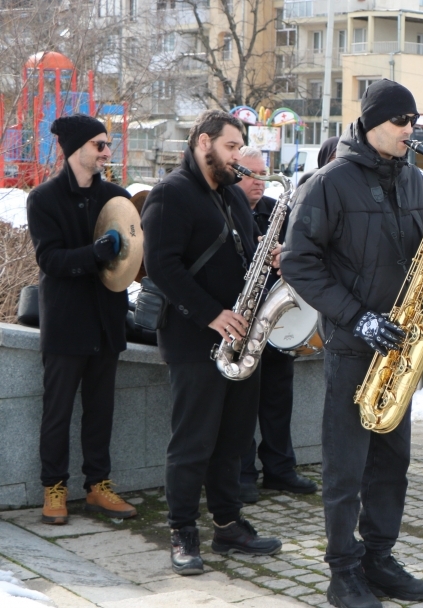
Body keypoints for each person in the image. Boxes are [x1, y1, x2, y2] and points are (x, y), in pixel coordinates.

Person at [281, 79, 423, 608]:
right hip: (353, 344)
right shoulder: (328, 182)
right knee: (347, 464)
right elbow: (298, 261)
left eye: (413, 121)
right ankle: (342, 570)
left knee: (392, 461)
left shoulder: (418, 182)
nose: (409, 131)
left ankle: (379, 557)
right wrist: (356, 317)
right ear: (371, 124)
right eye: (401, 121)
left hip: (401, 346)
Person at [143, 110, 282, 575]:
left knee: (235, 438)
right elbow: (161, 265)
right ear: (203, 142)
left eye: (239, 147)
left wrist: (271, 253)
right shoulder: (170, 193)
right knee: (193, 441)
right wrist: (211, 315)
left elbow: (244, 249)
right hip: (193, 337)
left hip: (242, 335)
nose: (237, 156)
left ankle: (228, 524)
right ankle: (182, 530)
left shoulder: (231, 195)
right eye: (230, 146)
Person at [26, 115, 139, 525]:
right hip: (67, 322)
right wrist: (97, 252)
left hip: (107, 319)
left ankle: (98, 486)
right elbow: (50, 260)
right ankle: (53, 489)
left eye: (108, 144)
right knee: (56, 411)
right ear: (76, 149)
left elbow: (132, 255)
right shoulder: (43, 199)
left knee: (101, 409)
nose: (107, 152)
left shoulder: (116, 195)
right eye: (99, 145)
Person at [234, 146, 318, 504]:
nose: (260, 182)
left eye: (263, 174)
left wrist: (285, 254)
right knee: (242, 401)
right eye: (252, 175)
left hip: (276, 316)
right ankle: (242, 473)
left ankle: (280, 468)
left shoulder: (274, 210)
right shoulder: (227, 209)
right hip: (241, 315)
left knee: (278, 396)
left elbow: (301, 253)